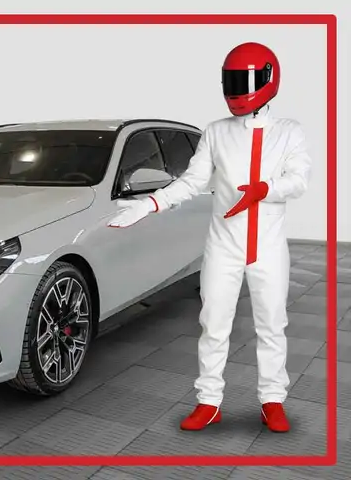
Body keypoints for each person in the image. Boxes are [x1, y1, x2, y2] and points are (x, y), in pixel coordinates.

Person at [107, 42, 312, 433]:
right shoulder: (216, 132)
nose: (237, 91)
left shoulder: (289, 132)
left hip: (268, 245)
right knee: (213, 324)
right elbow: (192, 181)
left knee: (272, 325)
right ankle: (209, 401)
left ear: (269, 79)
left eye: (245, 81)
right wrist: (150, 203)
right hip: (224, 244)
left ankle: (272, 399)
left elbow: (299, 180)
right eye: (232, 82)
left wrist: (264, 190)